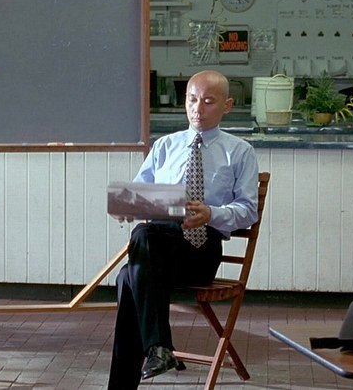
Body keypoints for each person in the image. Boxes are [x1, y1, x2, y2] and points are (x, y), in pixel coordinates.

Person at [107, 70, 258, 389]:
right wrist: (128, 207)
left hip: (200, 249)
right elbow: (139, 194)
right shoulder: (165, 146)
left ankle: (155, 350)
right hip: (157, 247)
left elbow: (248, 210)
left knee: (133, 268)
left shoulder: (239, 151)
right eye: (192, 100)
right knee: (130, 271)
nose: (198, 109)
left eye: (208, 101)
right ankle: (158, 350)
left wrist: (211, 213)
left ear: (227, 105)